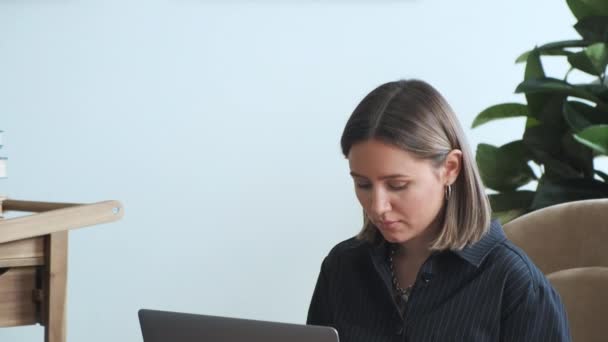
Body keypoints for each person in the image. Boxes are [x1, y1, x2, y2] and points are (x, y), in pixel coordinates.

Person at [306, 80, 571, 341]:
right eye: (363, 184)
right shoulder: (342, 267)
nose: (377, 206)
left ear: (450, 168)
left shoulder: (516, 284)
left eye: (397, 185)